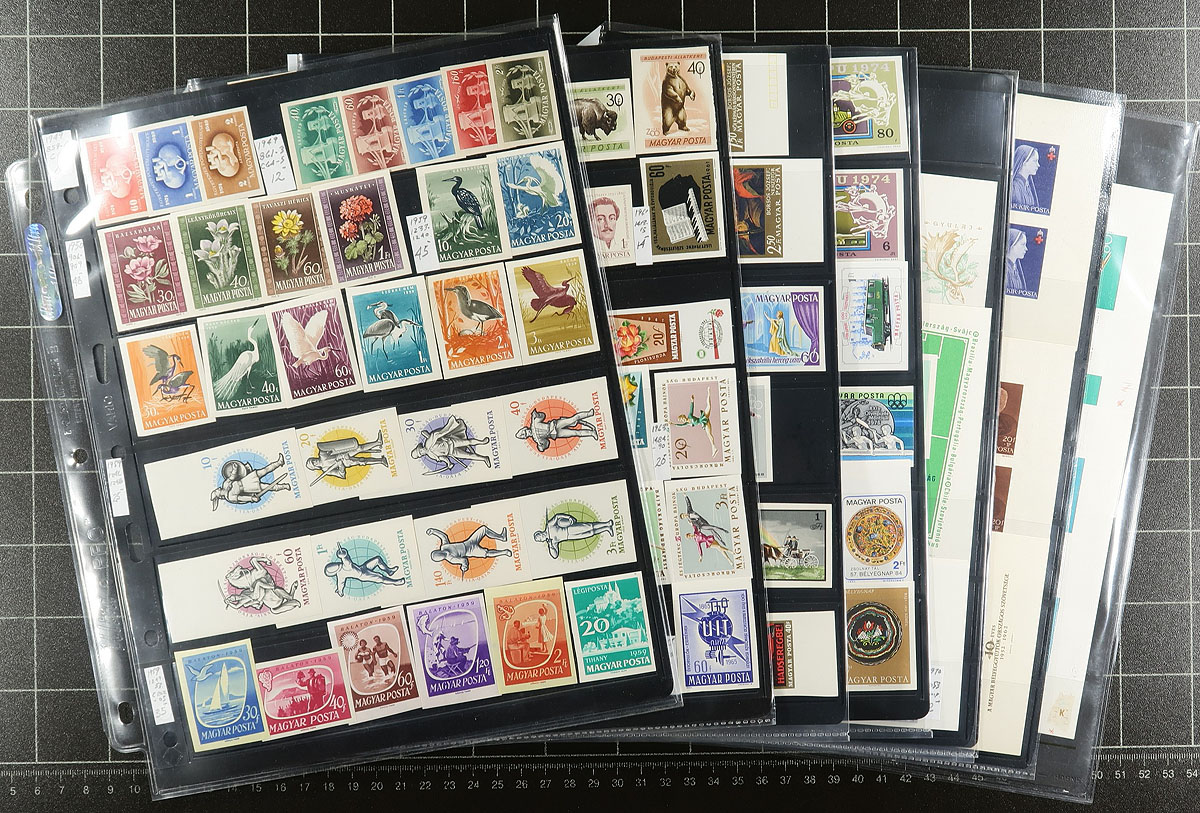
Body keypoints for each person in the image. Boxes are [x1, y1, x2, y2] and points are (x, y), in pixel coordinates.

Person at [515, 407, 598, 453]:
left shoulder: (534, 422)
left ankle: (589, 413)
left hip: (555, 424)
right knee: (575, 433)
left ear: (525, 428)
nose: (527, 433)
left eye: (524, 432)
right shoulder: (537, 440)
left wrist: (537, 415)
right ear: (526, 437)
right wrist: (541, 446)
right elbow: (546, 443)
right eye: (525, 435)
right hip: (555, 434)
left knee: (573, 419)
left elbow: (542, 416)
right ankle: (591, 433)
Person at [1011, 143, 1042, 210]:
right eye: (1035, 161)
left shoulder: (1027, 186)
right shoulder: (1014, 187)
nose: (1038, 165)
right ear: (1024, 162)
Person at [1006, 227, 1029, 293]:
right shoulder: (1005, 270)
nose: (1026, 249)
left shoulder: (1015, 269)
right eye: (1022, 244)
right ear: (1011, 244)